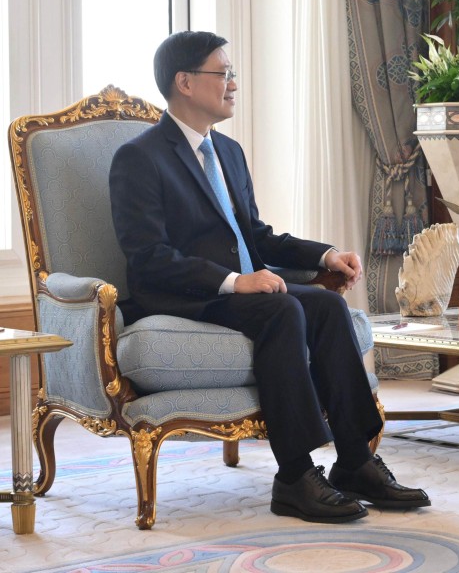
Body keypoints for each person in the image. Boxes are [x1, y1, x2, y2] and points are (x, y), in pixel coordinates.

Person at [109, 30, 430, 524]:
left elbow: (255, 234)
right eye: (224, 73)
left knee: (325, 303)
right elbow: (148, 257)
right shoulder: (139, 157)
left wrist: (323, 256)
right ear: (185, 82)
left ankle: (355, 460)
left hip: (242, 291)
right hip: (183, 296)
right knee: (282, 308)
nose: (234, 83)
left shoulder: (229, 153)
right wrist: (235, 282)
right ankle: (295, 477)